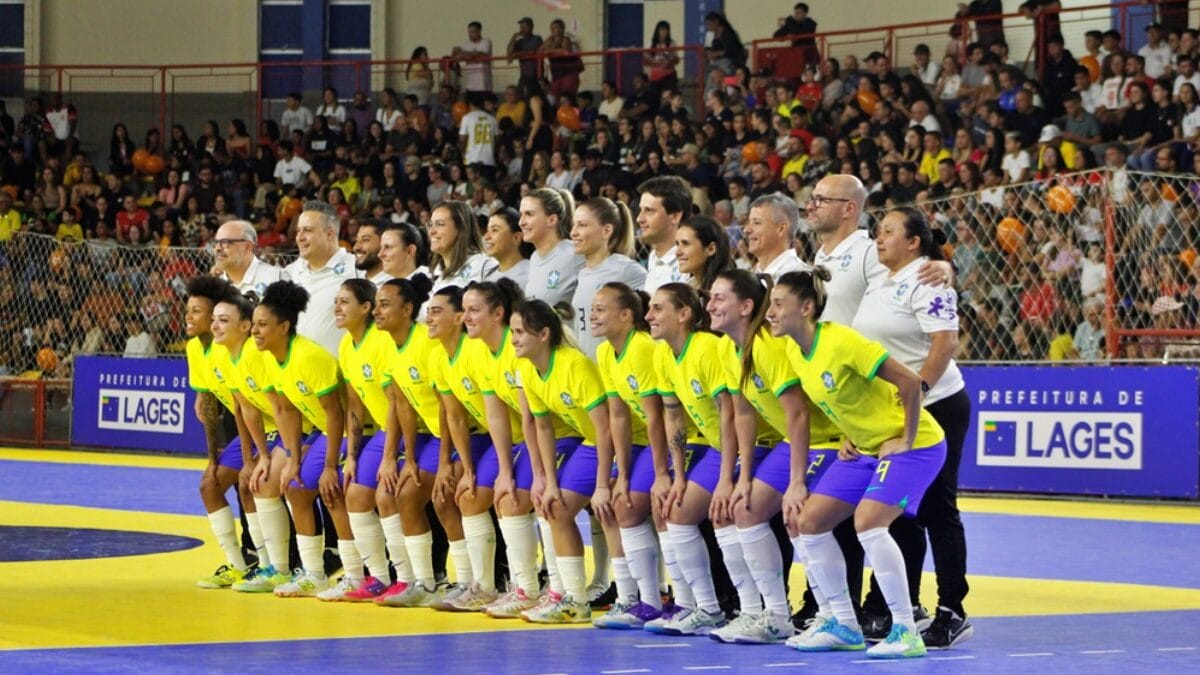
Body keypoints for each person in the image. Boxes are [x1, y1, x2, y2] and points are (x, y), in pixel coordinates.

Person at [769, 268, 946, 659]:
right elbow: (842, 399)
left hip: (917, 445)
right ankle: (845, 626)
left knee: (868, 522)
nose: (771, 312)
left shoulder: (842, 341)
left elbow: (909, 382)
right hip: (864, 449)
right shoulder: (794, 351)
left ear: (806, 307)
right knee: (807, 521)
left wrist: (906, 439)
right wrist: (847, 432)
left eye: (779, 304)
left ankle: (906, 630)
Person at [851, 208, 973, 649]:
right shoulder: (881, 281)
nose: (878, 238)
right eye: (877, 231)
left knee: (938, 507)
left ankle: (952, 610)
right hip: (894, 410)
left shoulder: (928, 279)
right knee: (899, 508)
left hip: (936, 405)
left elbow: (946, 341)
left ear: (914, 242)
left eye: (888, 232)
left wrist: (916, 394)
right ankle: (907, 605)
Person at [640, 283, 744, 637]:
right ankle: (692, 606)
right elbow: (674, 417)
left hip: (746, 446)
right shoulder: (663, 354)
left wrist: (727, 478)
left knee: (699, 513)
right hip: (716, 447)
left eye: (658, 309)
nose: (648, 316)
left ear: (684, 314)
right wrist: (677, 476)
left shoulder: (707, 348)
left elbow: (730, 415)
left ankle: (724, 608)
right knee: (670, 505)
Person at [253, 280, 359, 599]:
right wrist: (293, 459)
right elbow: (286, 411)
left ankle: (355, 576)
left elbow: (336, 413)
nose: (255, 331)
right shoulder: (270, 357)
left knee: (331, 490)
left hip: (349, 431)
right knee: (296, 488)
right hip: (323, 432)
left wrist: (329, 466)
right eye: (254, 324)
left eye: (262, 325)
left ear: (284, 327)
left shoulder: (309, 356)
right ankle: (314, 575)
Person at [511, 299, 609, 623]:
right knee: (555, 506)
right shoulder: (528, 369)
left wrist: (603, 484)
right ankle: (574, 601)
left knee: (616, 508)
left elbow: (606, 427)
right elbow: (542, 427)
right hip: (592, 442)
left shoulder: (575, 364)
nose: (514, 340)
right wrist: (546, 481)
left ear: (543, 334)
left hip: (617, 442)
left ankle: (627, 595)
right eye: (512, 332)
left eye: (520, 332)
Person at [372, 277, 464, 607]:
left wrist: (444, 461)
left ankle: (461, 581)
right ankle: (418, 581)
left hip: (459, 435)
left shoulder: (426, 344)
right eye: (376, 304)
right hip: (433, 436)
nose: (376, 311)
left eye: (384, 305)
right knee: (398, 494)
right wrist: (406, 457)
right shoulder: (387, 345)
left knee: (435, 498)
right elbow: (402, 405)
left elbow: (447, 409)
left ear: (407, 309)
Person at [588, 283, 672, 628]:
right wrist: (620, 476)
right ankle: (631, 598)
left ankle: (659, 599)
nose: (593, 315)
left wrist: (661, 473)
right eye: (592, 309)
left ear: (625, 315)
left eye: (600, 309)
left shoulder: (642, 349)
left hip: (668, 439)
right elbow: (618, 417)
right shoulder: (606, 352)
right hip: (640, 443)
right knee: (613, 501)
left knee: (636, 506)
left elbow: (658, 418)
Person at [326, 279, 412, 602]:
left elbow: (396, 403)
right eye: (336, 300)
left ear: (365, 308)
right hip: (382, 432)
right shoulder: (346, 345)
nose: (337, 307)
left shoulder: (380, 342)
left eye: (344, 301)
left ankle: (407, 578)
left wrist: (389, 456)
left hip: (405, 429)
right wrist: (351, 455)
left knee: (383, 494)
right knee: (354, 494)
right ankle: (377, 577)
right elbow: (354, 406)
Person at [210, 291, 297, 594]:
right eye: (214, 320)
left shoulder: (254, 355)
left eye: (223, 320)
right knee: (250, 481)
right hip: (270, 432)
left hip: (293, 428)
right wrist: (255, 457)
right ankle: (264, 564)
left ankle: (282, 568)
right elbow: (246, 410)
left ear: (244, 326)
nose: (215, 326)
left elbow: (281, 408)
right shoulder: (227, 356)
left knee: (265, 483)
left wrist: (280, 456)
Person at [185, 276, 257, 589]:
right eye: (188, 310)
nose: (189, 317)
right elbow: (210, 407)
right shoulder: (194, 348)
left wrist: (249, 457)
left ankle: (268, 564)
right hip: (246, 430)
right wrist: (213, 458)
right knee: (210, 484)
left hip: (265, 428)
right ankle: (238, 564)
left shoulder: (226, 348)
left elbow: (244, 407)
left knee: (250, 484)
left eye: (197, 311)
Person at [570, 198, 647, 358]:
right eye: (573, 225)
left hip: (613, 370)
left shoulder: (625, 270)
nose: (573, 232)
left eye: (582, 225)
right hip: (587, 368)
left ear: (606, 231)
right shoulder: (583, 273)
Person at [284, 201, 361, 355]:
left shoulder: (356, 269)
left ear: (330, 234)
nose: (299, 237)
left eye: (307, 230)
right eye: (298, 231)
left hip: (339, 368)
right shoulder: (289, 273)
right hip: (294, 368)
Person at [521, 188, 583, 306]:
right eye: (521, 214)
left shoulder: (574, 253)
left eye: (529, 214)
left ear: (551, 220)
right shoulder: (534, 257)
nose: (521, 222)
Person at [639, 176, 694, 293]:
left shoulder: (692, 264)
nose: (639, 219)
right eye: (641, 210)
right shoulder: (653, 257)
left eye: (649, 211)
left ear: (675, 216)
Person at [428, 201, 492, 295]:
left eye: (440, 224)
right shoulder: (435, 274)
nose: (431, 231)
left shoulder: (483, 265)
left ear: (461, 228)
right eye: (430, 225)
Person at [212, 220, 288, 295]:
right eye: (216, 242)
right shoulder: (214, 284)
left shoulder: (276, 278)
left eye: (225, 242)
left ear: (248, 247)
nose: (217, 248)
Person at [747, 193, 809, 279]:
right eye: (749, 222)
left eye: (757, 223)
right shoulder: (752, 274)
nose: (746, 230)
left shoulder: (800, 276)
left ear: (781, 229)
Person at [676, 215, 735, 292]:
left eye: (686, 243)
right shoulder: (688, 287)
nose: (677, 252)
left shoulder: (727, 291)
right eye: (677, 244)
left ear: (711, 249)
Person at [483, 207, 532, 287]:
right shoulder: (489, 275)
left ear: (516, 238)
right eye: (487, 230)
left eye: (494, 230)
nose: (486, 237)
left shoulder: (530, 275)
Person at [508, 17, 544, 97]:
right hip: (524, 75)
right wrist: (514, 37)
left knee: (536, 97)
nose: (522, 29)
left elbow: (534, 52)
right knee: (520, 96)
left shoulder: (537, 39)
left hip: (536, 75)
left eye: (524, 27)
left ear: (531, 27)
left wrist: (518, 54)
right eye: (521, 27)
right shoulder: (520, 42)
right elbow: (509, 55)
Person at [455, 22, 494, 96]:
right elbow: (458, 57)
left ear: (479, 31)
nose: (470, 34)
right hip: (470, 84)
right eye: (469, 32)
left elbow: (482, 54)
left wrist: (466, 54)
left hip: (484, 85)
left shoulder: (486, 42)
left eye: (472, 32)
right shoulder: (466, 44)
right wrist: (470, 54)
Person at [352, 220, 390, 287]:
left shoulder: (394, 285)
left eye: (365, 240)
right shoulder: (354, 281)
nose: (356, 247)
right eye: (356, 240)